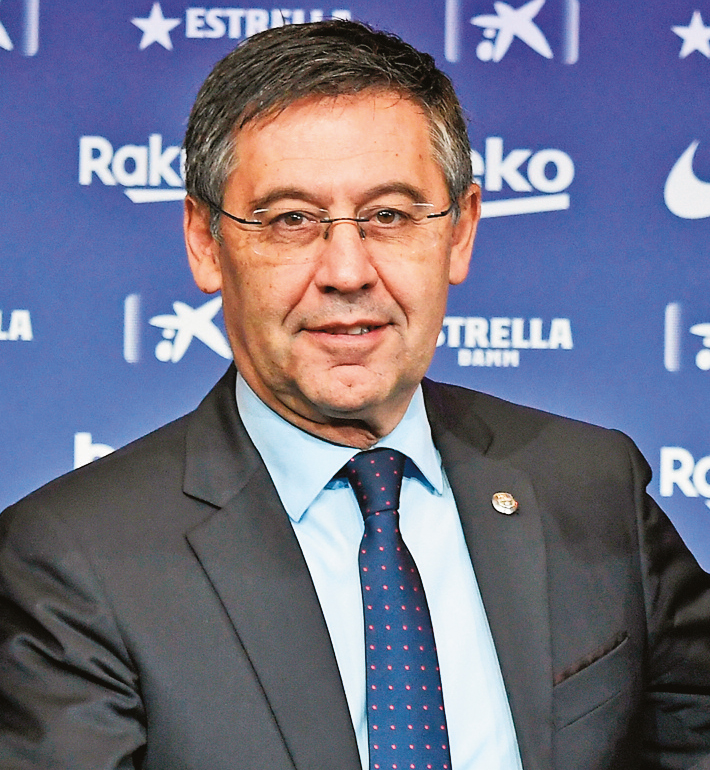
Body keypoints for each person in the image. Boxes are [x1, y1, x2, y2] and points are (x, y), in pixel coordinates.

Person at [1, 20, 709, 770]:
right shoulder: (70, 561)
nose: (347, 271)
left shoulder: (592, 485)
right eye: (291, 220)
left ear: (460, 232)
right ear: (206, 243)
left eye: (389, 216)